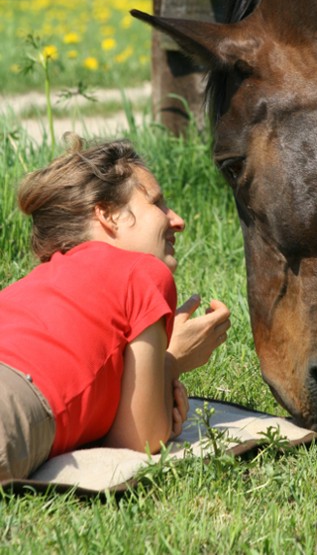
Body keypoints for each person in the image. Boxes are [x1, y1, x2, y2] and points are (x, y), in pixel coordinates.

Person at [0, 135, 231, 481]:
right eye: (157, 204)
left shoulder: (34, 282)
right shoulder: (143, 271)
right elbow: (140, 439)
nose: (178, 220)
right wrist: (171, 362)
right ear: (108, 215)